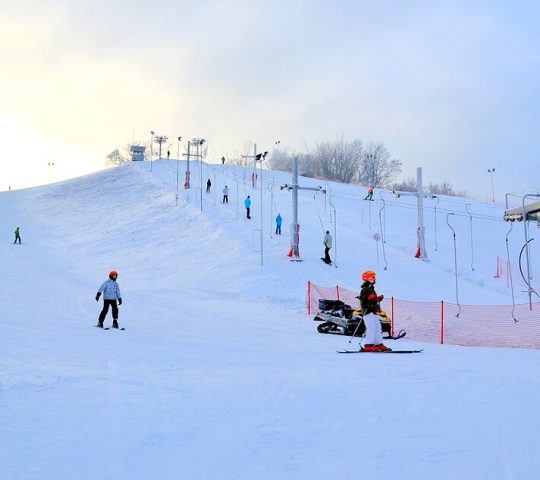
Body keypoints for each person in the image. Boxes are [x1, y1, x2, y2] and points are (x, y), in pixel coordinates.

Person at [359, 270, 390, 351]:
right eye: (372, 278)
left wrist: (377, 298)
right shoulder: (365, 289)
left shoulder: (371, 288)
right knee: (371, 328)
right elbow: (363, 297)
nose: (374, 279)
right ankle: (368, 345)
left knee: (378, 328)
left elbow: (372, 298)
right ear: (367, 279)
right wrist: (369, 297)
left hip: (374, 311)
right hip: (367, 311)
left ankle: (379, 344)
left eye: (373, 278)